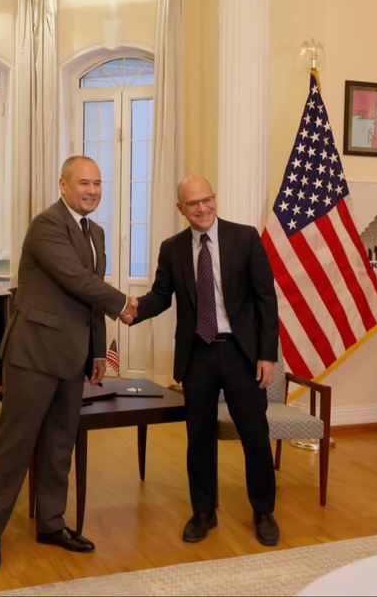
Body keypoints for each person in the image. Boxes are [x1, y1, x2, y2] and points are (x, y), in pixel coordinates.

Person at [0, 155, 138, 571]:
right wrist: (123, 302)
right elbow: (76, 279)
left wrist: (98, 351)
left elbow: (90, 294)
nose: (92, 190)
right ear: (63, 185)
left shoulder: (96, 232)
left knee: (59, 445)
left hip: (72, 357)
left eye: (97, 183)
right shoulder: (47, 224)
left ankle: (50, 523)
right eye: (84, 183)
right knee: (15, 446)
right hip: (33, 354)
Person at [127, 174, 281, 546]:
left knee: (254, 436)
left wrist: (267, 354)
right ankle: (203, 512)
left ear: (215, 198)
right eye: (193, 203)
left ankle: (263, 511)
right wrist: (132, 308)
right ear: (180, 208)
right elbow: (161, 296)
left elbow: (266, 300)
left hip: (242, 354)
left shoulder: (245, 238)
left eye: (206, 199)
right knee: (198, 437)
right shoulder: (172, 248)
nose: (202, 208)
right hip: (198, 354)